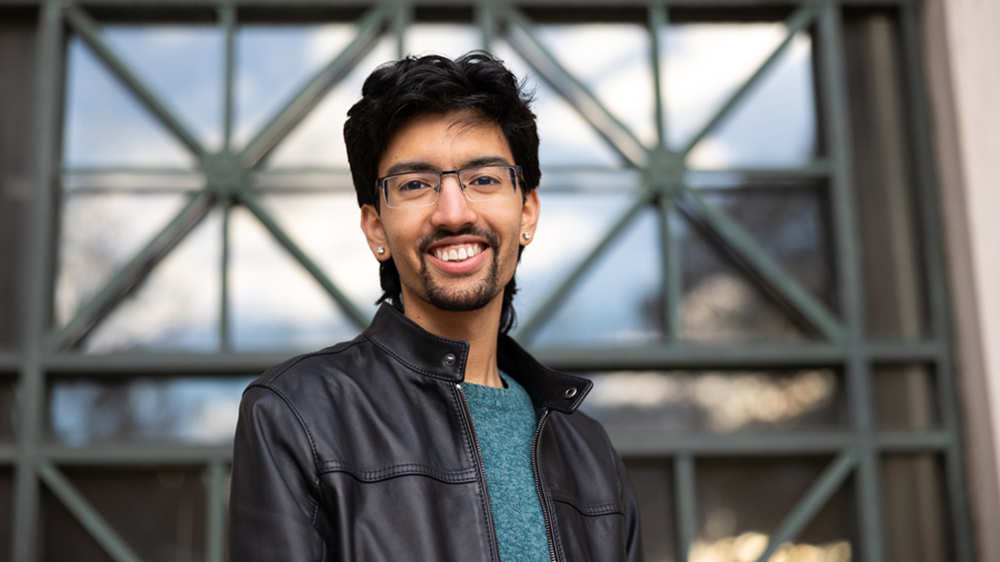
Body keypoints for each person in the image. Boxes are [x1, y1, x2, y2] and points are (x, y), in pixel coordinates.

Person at [227, 51, 642, 562]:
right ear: (376, 228)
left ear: (527, 210)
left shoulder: (590, 452)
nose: (452, 213)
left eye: (484, 179)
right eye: (416, 185)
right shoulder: (296, 413)